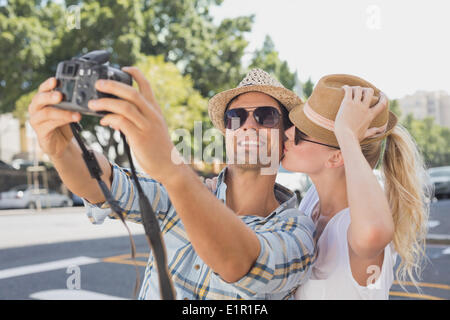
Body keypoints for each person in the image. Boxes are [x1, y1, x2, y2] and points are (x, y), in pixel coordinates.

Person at [28, 67, 316, 300]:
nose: (248, 125)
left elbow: (240, 263)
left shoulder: (297, 231)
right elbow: (106, 183)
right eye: (235, 116)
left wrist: (174, 170)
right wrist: (61, 148)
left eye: (266, 116)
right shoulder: (180, 194)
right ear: (227, 135)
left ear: (285, 141)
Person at [282, 74, 430, 299]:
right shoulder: (313, 199)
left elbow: (374, 232)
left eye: (301, 133)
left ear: (336, 157)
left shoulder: (354, 225)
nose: (287, 132)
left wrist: (348, 136)